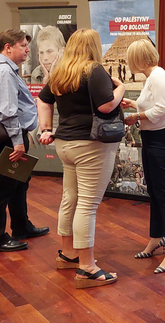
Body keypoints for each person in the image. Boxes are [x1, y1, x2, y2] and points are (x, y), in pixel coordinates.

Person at [36, 29, 125, 288]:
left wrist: (45, 129)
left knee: (70, 199)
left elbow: (42, 101)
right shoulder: (94, 70)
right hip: (90, 146)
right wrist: (120, 89)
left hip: (65, 144)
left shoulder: (61, 71)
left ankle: (68, 254)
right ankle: (87, 268)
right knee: (87, 205)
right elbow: (106, 106)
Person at [0, 29, 49, 253]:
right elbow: (7, 111)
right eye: (22, 45)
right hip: (8, 139)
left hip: (7, 137)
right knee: (2, 188)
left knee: (18, 183)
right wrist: (18, 141)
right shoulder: (4, 72)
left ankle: (21, 226)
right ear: (7, 47)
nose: (28, 50)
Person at [120, 38, 165, 274]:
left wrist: (136, 116)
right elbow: (154, 105)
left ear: (138, 59)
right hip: (154, 138)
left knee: (163, 193)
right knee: (154, 192)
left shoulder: (156, 77)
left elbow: (162, 110)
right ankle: (157, 237)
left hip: (162, 139)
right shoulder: (152, 77)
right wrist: (134, 104)